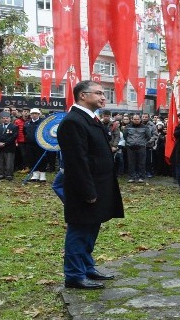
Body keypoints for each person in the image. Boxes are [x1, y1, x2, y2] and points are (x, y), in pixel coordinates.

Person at [56, 80, 124, 290]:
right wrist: (87, 191)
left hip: (99, 185)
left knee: (91, 228)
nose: (103, 97)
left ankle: (86, 267)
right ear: (82, 96)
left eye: (103, 93)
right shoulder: (73, 121)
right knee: (79, 230)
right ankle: (74, 275)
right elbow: (77, 161)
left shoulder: (89, 119)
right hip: (85, 188)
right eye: (98, 93)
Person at [0, 110, 18, 181]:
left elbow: (14, 136)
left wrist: (5, 143)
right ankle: (0, 174)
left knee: (9, 162)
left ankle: (9, 174)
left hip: (9, 147)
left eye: (7, 118)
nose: (5, 119)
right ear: (0, 119)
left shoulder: (14, 127)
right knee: (0, 161)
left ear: (10, 118)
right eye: (3, 118)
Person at [24, 108, 48, 182]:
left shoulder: (42, 123)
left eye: (36, 114)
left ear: (39, 114)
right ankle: (35, 175)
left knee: (42, 159)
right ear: (30, 115)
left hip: (40, 144)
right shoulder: (27, 123)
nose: (34, 115)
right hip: (30, 145)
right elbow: (25, 133)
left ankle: (42, 175)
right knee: (32, 159)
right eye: (33, 114)